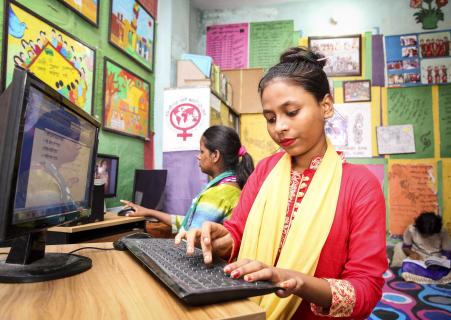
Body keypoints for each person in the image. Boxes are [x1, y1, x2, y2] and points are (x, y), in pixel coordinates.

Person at [176, 47, 387, 319]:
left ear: (326, 105)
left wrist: (295, 280)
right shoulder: (265, 170)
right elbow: (237, 233)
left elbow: (365, 290)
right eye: (271, 118)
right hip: (246, 311)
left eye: (292, 112)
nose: (279, 127)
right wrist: (219, 240)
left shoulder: (360, 185)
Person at [122, 125, 254, 234]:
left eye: (202, 152)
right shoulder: (234, 187)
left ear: (215, 156)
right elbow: (189, 222)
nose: (198, 157)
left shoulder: (217, 194)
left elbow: (191, 235)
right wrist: (149, 211)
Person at [400, 212, 451, 284]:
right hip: (419, 260)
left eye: (431, 234)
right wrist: (411, 253)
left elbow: (447, 251)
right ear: (418, 226)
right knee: (407, 267)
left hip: (437, 259)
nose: (428, 235)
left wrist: (443, 260)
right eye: (425, 234)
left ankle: (447, 279)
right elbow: (406, 247)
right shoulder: (411, 230)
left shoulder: (442, 231)